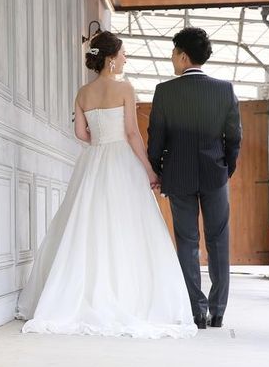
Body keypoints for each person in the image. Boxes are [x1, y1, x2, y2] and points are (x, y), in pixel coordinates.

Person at [16, 31, 197, 339]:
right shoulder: (124, 88)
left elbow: (80, 134)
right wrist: (149, 170)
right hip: (122, 160)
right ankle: (127, 295)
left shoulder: (83, 92)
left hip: (94, 160)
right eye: (124, 54)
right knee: (127, 226)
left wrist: (99, 143)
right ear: (112, 59)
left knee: (88, 225)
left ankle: (80, 294)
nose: (126, 58)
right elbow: (132, 134)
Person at [147, 27, 242, 329]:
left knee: (187, 242)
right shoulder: (224, 90)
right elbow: (234, 137)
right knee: (218, 241)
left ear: (184, 56)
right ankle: (218, 311)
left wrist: (158, 169)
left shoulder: (165, 91)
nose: (172, 58)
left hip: (179, 175)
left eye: (174, 53)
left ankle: (196, 312)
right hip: (215, 174)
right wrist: (226, 167)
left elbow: (156, 138)